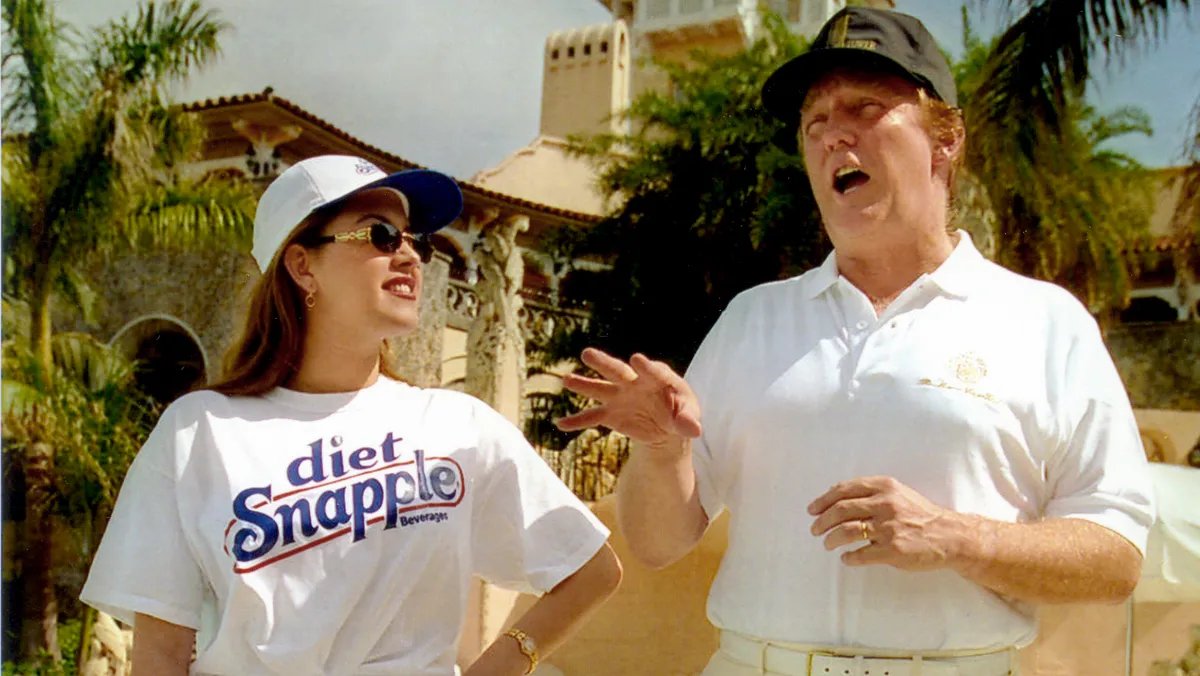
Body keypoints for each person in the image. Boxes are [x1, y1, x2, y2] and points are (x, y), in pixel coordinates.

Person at [556, 7, 1154, 676]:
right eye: (814, 122)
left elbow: (1116, 557)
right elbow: (659, 544)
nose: (833, 134)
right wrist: (664, 453)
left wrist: (959, 538)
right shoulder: (752, 319)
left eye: (865, 108)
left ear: (945, 138)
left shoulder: (1046, 322)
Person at [81, 155, 622, 676]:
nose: (409, 256)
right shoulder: (199, 432)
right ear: (301, 265)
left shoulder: (457, 427)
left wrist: (501, 665)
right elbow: (159, 655)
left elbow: (591, 569)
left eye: (417, 241)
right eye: (381, 235)